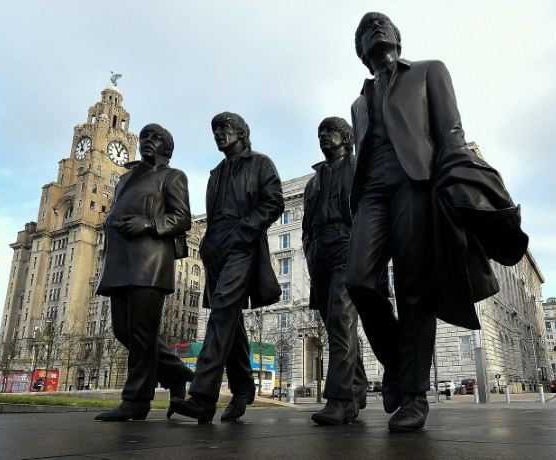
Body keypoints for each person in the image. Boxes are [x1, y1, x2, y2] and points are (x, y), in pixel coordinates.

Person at [346, 12, 528, 433]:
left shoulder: (429, 71)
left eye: (382, 24)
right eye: (364, 30)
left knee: (414, 289)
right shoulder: (358, 102)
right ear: (360, 51)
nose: (374, 28)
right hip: (373, 193)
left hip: (417, 184)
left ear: (396, 37)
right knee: (358, 280)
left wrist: (458, 188)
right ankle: (399, 366)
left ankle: (412, 395)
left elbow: (451, 133)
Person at [169, 112, 284, 423]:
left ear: (241, 132)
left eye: (225, 128)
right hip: (215, 248)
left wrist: (246, 228)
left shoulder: (261, 163)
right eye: (215, 130)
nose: (219, 134)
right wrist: (207, 243)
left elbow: (274, 202)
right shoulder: (215, 173)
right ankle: (244, 386)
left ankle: (203, 396)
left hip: (242, 244)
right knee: (230, 319)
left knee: (221, 311)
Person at [94, 123, 194, 421]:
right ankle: (175, 371)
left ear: (168, 147)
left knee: (141, 331)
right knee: (123, 330)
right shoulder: (124, 180)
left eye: (157, 138)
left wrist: (148, 223)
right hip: (120, 261)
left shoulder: (173, 176)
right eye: (145, 137)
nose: (148, 142)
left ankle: (136, 401)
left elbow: (182, 217)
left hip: (150, 261)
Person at [302, 117, 368, 425]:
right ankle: (356, 386)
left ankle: (340, 399)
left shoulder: (359, 166)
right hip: (321, 252)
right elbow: (306, 226)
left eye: (330, 132)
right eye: (320, 133)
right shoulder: (313, 181)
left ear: (346, 137)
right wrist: (310, 251)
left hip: (348, 244)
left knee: (341, 318)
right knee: (333, 325)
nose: (324, 137)